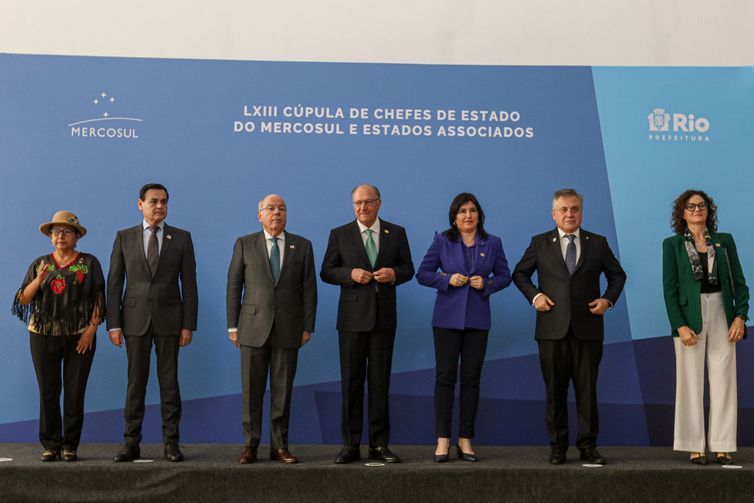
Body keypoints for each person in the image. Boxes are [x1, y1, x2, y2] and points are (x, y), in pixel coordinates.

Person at [512, 188, 626, 465]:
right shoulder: (540, 243)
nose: (569, 214)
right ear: (553, 214)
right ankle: (558, 447)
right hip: (551, 331)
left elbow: (617, 275)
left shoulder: (597, 243)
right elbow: (520, 273)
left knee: (587, 392)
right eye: (563, 209)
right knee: (555, 392)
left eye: (574, 209)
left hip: (588, 330)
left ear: (581, 212)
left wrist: (607, 301)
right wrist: (536, 296)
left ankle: (588, 447)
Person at [320, 184, 414, 464]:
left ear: (379, 203)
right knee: (351, 383)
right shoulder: (340, 234)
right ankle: (350, 445)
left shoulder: (396, 233)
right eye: (358, 203)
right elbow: (326, 271)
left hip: (384, 320)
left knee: (379, 383)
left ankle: (379, 444)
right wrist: (350, 274)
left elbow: (409, 268)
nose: (363, 208)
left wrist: (393, 273)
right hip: (351, 321)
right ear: (353, 205)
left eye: (368, 202)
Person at [416, 193, 511, 462]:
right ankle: (443, 440)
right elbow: (422, 274)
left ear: (479, 215)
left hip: (478, 321)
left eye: (472, 210)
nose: (468, 216)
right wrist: (446, 279)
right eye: (462, 212)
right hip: (446, 320)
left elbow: (505, 276)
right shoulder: (441, 241)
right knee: (445, 379)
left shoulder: (493, 243)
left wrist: (488, 283)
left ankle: (466, 440)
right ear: (454, 218)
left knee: (471, 380)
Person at [107, 183, 198, 463]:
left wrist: (188, 324)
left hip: (171, 322)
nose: (160, 206)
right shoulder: (124, 237)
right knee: (135, 384)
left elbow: (190, 284)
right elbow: (114, 283)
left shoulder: (181, 238)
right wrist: (114, 324)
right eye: (154, 201)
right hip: (134, 321)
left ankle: (171, 444)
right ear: (140, 204)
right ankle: (131, 443)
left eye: (164, 202)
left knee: (169, 385)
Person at [226, 194, 317, 464]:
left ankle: (279, 446)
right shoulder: (245, 243)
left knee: (282, 390)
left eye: (281, 208)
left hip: (289, 328)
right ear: (260, 215)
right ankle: (250, 445)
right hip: (252, 327)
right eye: (271, 208)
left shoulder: (302, 246)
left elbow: (309, 289)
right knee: (251, 390)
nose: (276, 213)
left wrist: (307, 326)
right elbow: (234, 286)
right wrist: (233, 326)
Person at [662, 189, 749, 465]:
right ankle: (693, 446)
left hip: (723, 311)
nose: (697, 210)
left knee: (724, 379)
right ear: (682, 212)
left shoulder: (724, 242)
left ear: (708, 210)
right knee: (689, 381)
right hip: (690, 316)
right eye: (690, 206)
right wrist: (680, 325)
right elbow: (669, 290)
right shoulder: (672, 245)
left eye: (701, 205)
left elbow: (740, 282)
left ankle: (723, 445)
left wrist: (740, 316)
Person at [12, 211, 105, 462]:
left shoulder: (89, 262)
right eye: (55, 232)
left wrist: (90, 331)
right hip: (42, 335)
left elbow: (99, 297)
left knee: (75, 391)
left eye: (66, 231)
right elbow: (23, 299)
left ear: (76, 236)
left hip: (79, 336)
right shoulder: (40, 264)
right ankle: (51, 444)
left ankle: (70, 445)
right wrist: (39, 279)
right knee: (48, 391)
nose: (60, 236)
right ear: (50, 237)